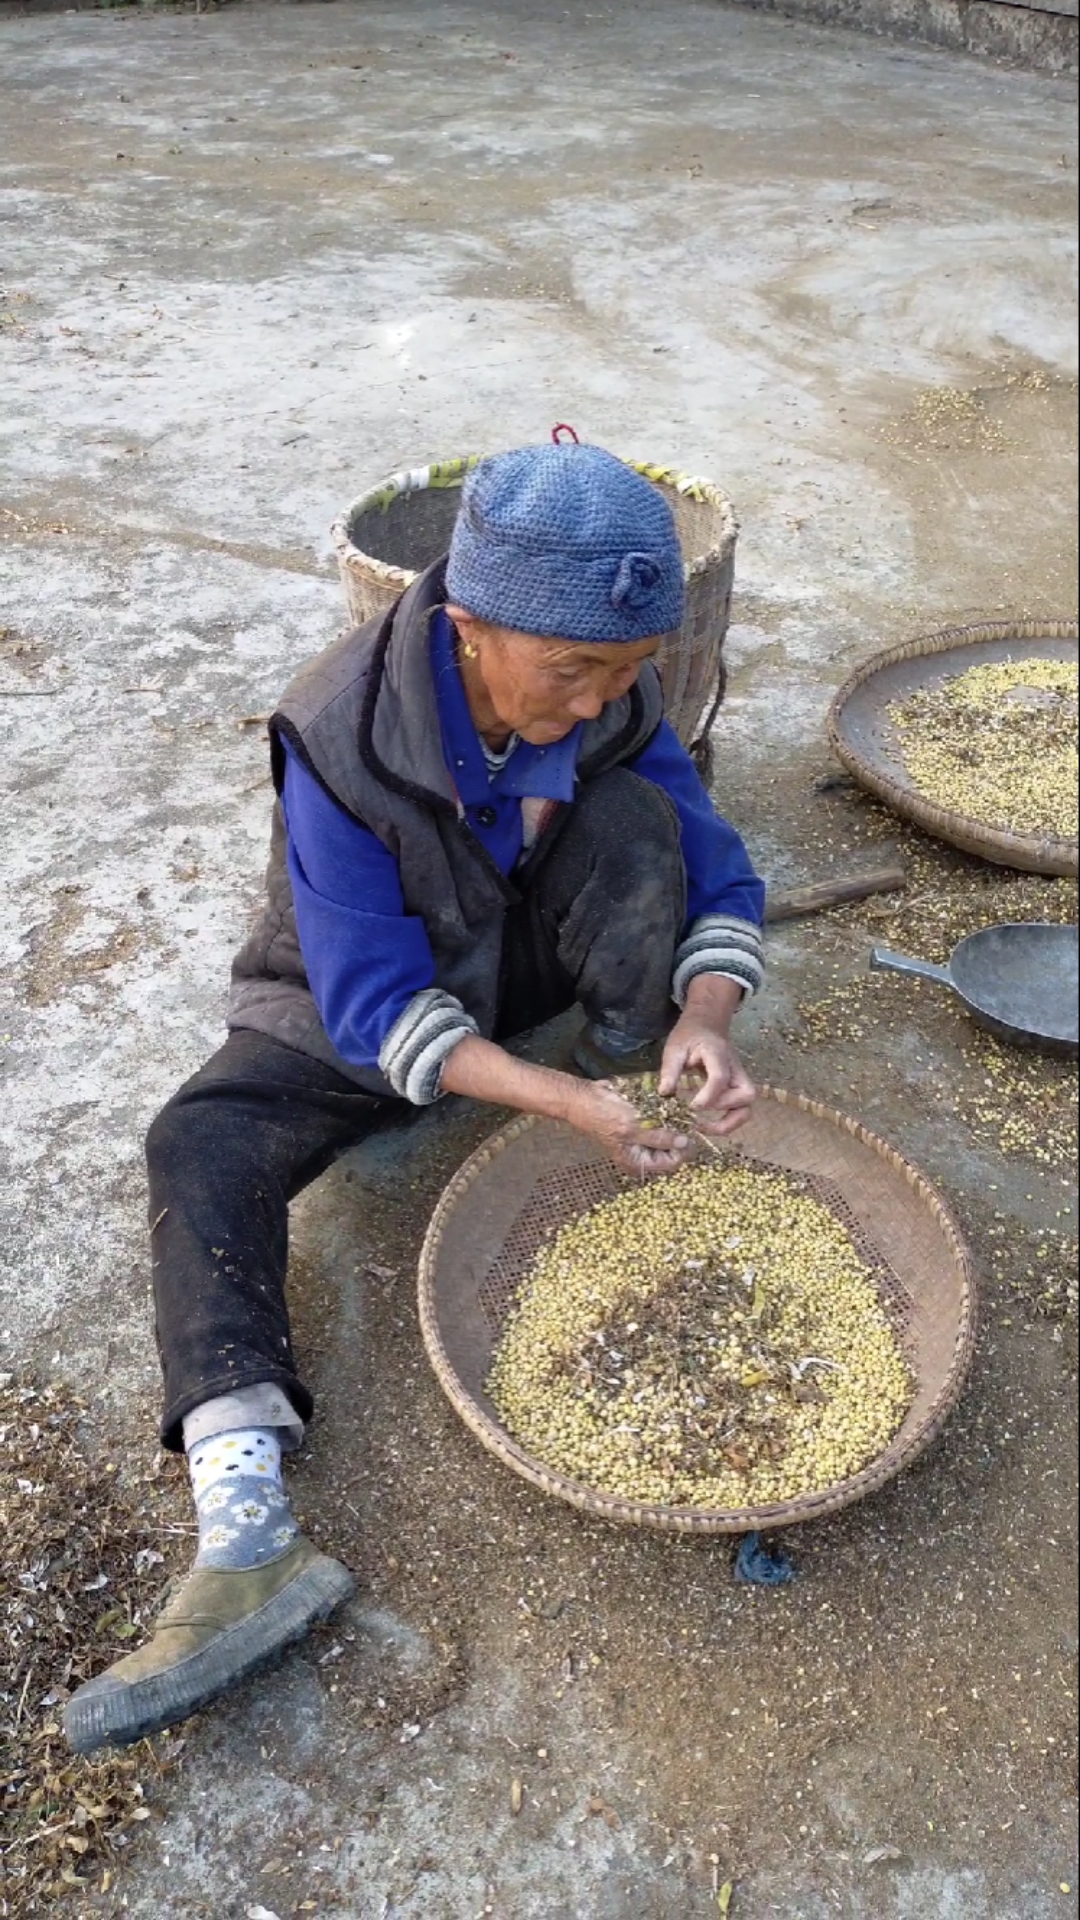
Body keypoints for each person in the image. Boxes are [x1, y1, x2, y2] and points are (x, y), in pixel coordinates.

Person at [64, 442, 765, 1756]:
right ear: (471, 627)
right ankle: (250, 1532)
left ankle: (636, 1081)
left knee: (634, 828)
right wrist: (556, 1101)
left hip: (523, 964)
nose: (599, 702)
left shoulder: (607, 689)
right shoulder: (336, 736)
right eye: (568, 674)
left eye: (626, 675)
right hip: (378, 1000)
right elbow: (376, 1006)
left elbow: (712, 864)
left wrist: (700, 1017)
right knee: (198, 1143)